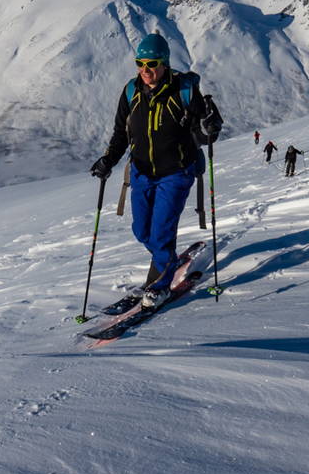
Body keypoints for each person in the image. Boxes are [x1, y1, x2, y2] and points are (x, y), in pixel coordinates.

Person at [90, 33, 223, 308]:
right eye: (140, 63)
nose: (145, 70)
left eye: (151, 64)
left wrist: (212, 126)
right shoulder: (131, 92)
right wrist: (108, 160)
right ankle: (166, 260)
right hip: (141, 173)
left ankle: (160, 286)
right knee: (142, 231)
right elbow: (120, 134)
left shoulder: (183, 92)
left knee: (161, 233)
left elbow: (205, 132)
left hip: (176, 173)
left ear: (164, 63)